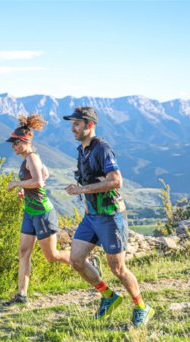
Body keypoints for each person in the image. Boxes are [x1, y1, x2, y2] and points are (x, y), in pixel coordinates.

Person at [63, 106, 154, 328]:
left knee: (118, 269)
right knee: (76, 259)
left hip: (111, 216)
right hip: (92, 216)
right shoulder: (82, 150)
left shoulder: (102, 148)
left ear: (90, 125)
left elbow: (116, 181)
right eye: (72, 124)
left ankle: (142, 307)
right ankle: (109, 297)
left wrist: (82, 190)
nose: (73, 128)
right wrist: (83, 192)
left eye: (77, 124)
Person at [4, 114, 101, 306]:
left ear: (25, 142)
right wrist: (26, 188)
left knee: (52, 256)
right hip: (30, 212)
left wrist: (17, 183)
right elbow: (44, 174)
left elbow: (39, 181)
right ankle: (22, 295)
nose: (13, 146)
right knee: (24, 251)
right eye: (12, 144)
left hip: (42, 212)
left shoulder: (31, 158)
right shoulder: (29, 159)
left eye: (16, 143)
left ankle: (89, 262)